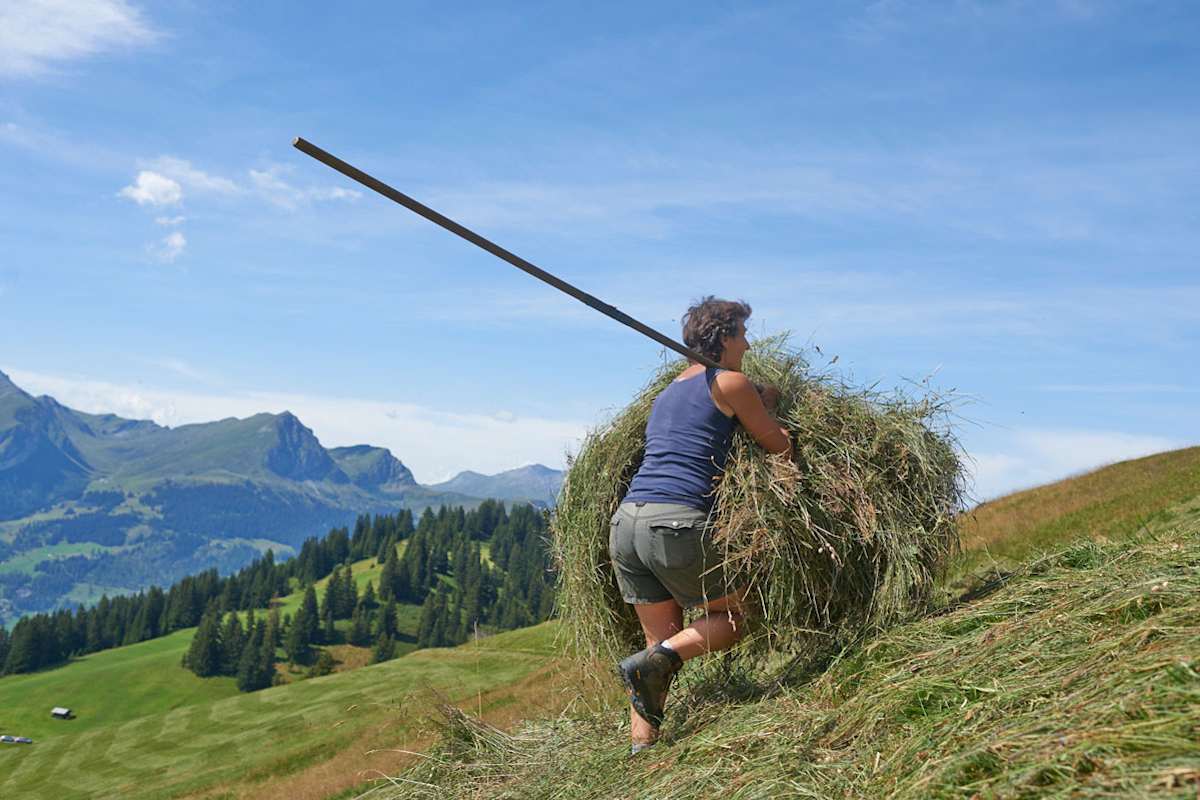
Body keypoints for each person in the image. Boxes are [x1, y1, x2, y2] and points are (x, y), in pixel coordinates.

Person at [610, 296, 791, 754]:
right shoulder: (730, 380)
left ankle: (642, 747)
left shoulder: (667, 392)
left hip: (626, 523)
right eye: (743, 335)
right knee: (739, 616)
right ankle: (663, 660)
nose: (748, 344)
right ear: (725, 337)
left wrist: (754, 399)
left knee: (655, 640)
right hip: (675, 520)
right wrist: (770, 408)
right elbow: (776, 445)